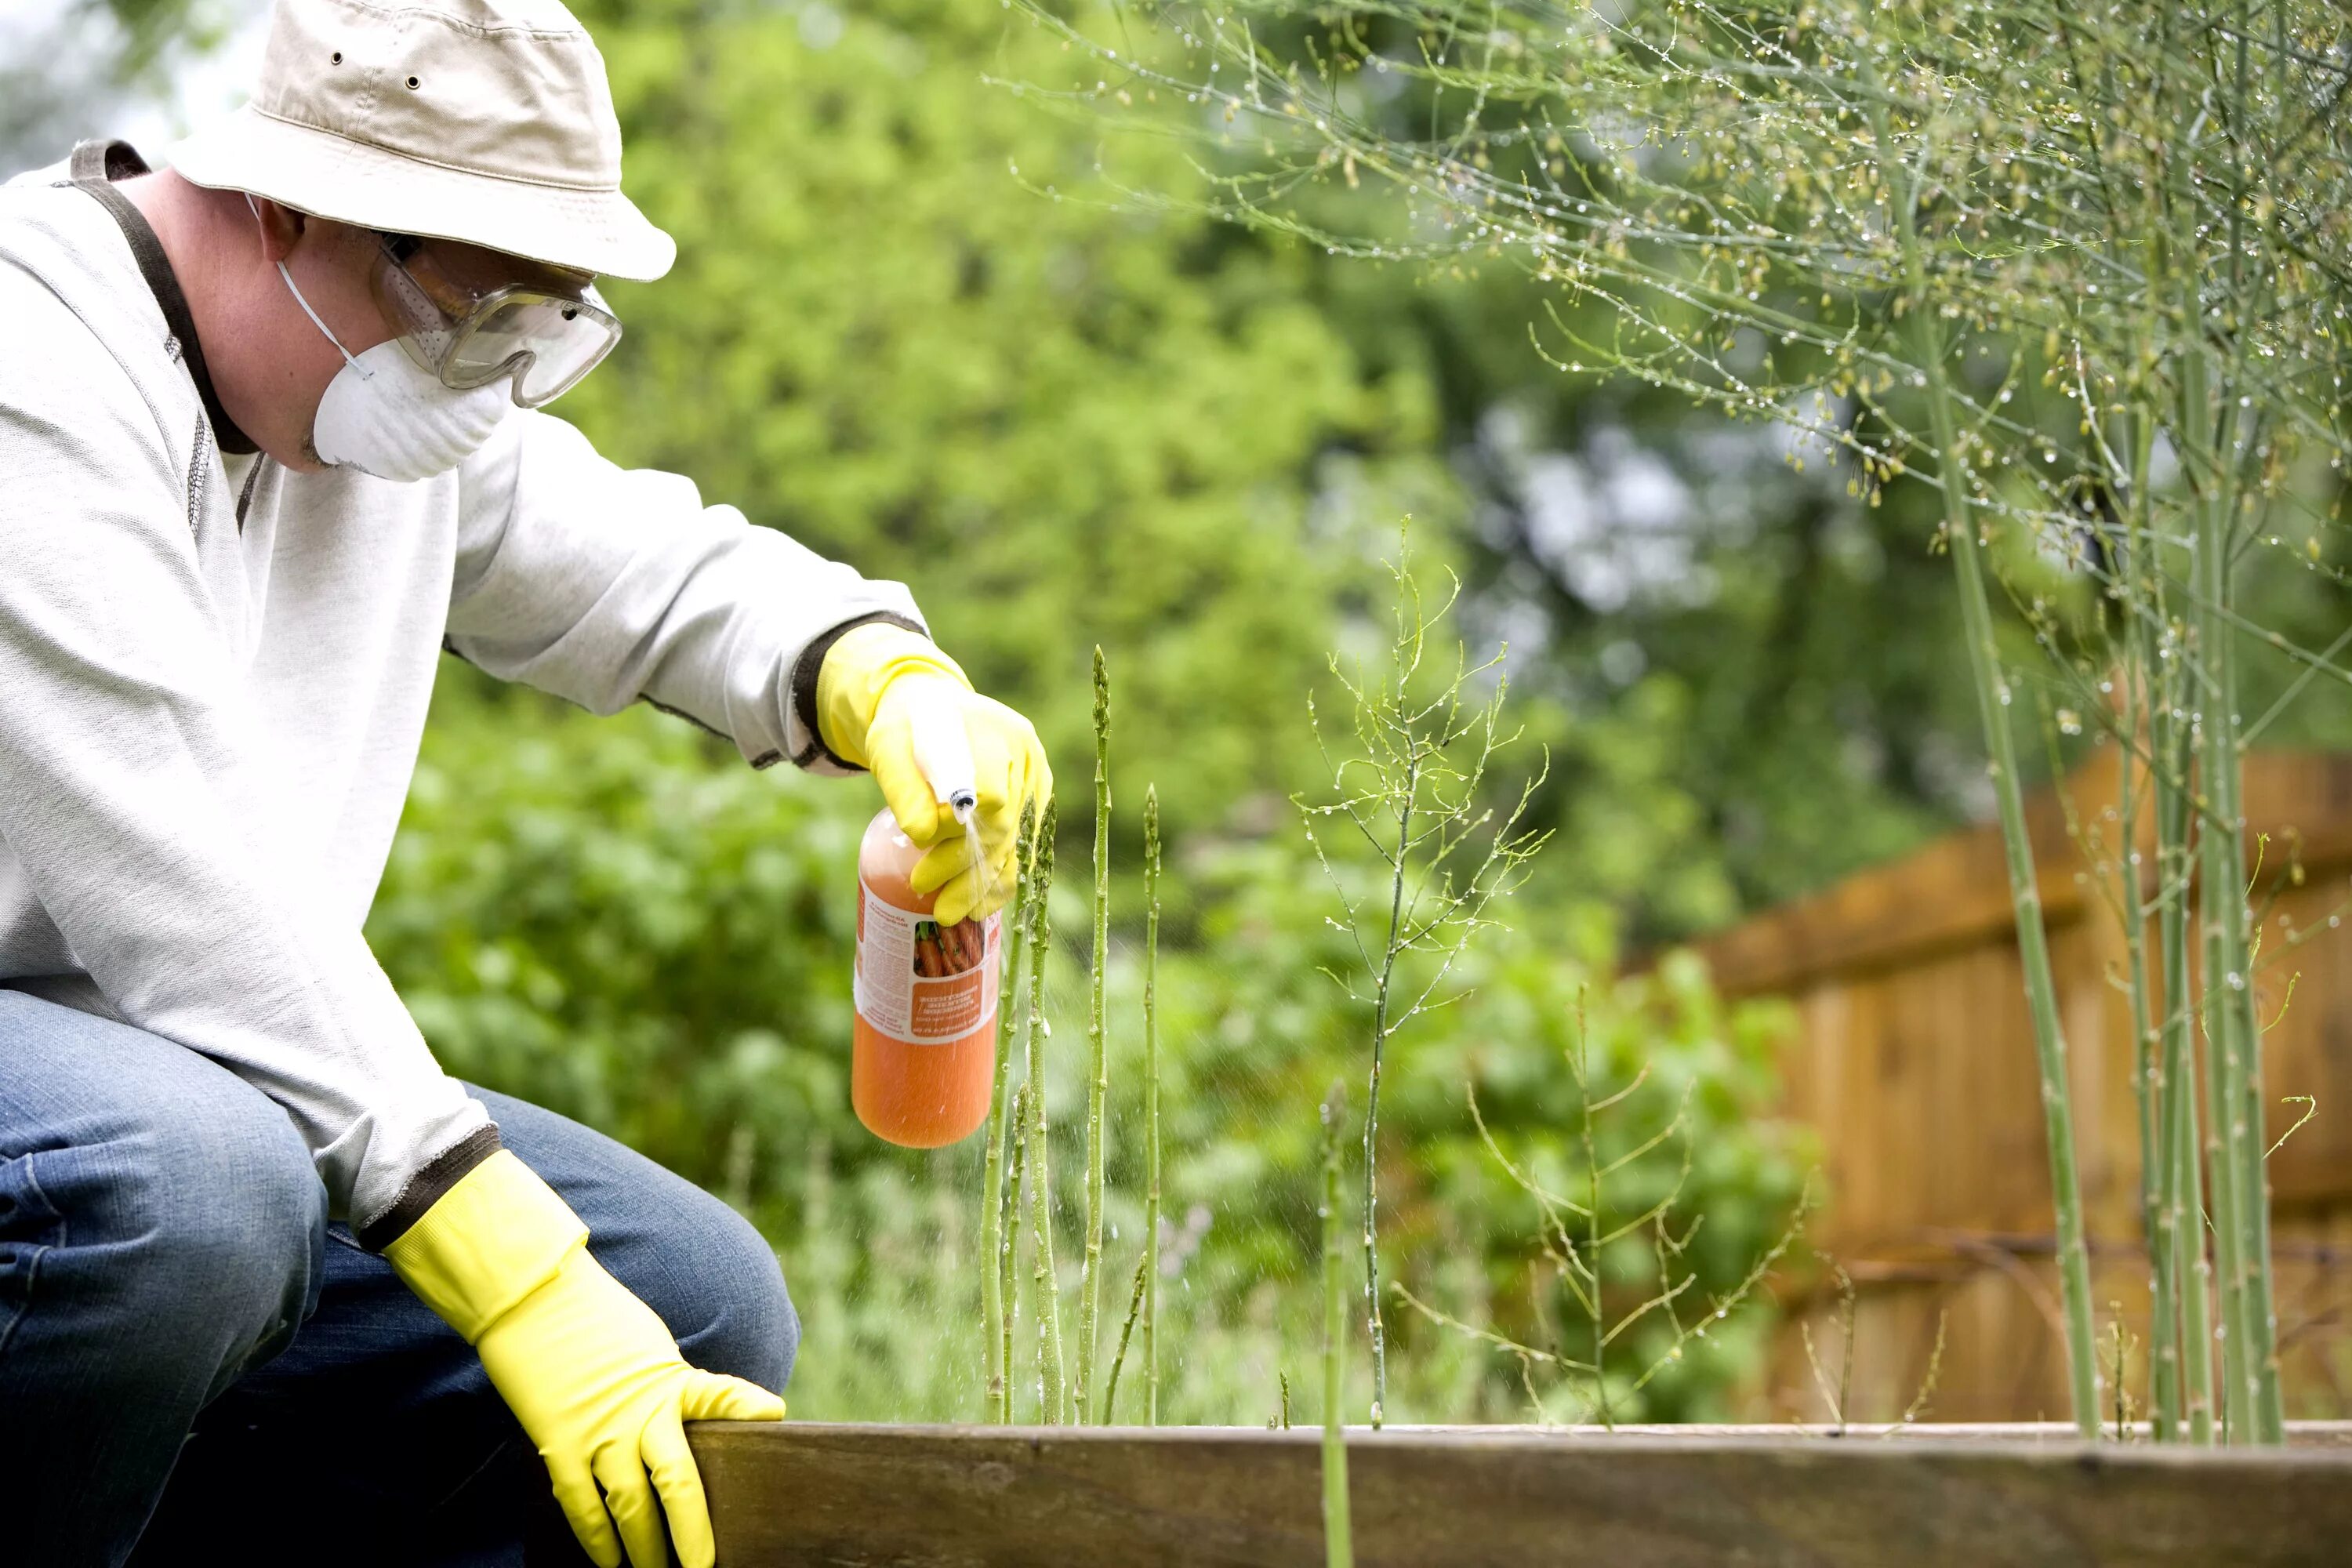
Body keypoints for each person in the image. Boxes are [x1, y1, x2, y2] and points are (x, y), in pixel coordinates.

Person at [0, 1, 1052, 1563]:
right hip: (108, 1117)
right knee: (195, 1192)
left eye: (537, 327)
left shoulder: (358, 393)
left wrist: (874, 673)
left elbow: (628, 559)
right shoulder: (35, 358)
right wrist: (520, 1276)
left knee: (694, 1298)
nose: (491, 376)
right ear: (291, 203)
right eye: (474, 309)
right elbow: (193, 891)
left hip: (155, 1089)